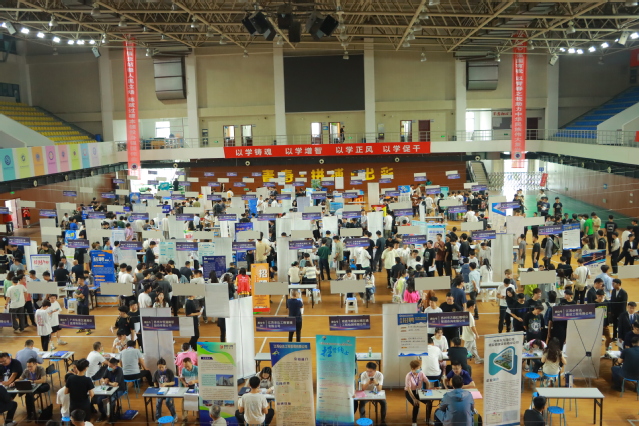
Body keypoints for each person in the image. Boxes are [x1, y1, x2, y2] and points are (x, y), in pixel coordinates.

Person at [404, 359, 430, 426]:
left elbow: (427, 382)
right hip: (409, 392)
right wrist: (414, 399)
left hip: (419, 391)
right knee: (416, 404)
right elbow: (409, 389)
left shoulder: (421, 373)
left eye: (419, 368)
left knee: (429, 402)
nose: (419, 369)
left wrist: (427, 390)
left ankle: (428, 419)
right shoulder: (408, 376)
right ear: (413, 369)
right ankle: (414, 421)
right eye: (418, 368)